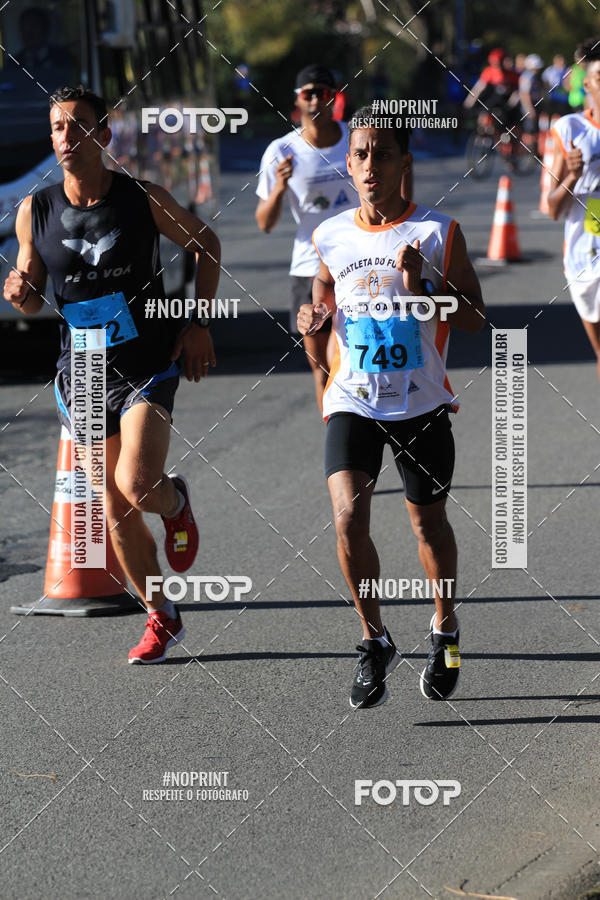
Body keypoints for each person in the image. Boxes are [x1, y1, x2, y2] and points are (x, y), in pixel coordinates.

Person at [3, 86, 221, 663]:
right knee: (113, 509)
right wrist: (19, 291)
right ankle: (162, 616)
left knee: (140, 485)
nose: (66, 138)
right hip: (84, 369)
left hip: (147, 362)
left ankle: (175, 505)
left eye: (78, 126)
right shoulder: (36, 209)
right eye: (56, 128)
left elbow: (207, 243)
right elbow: (29, 292)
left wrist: (198, 323)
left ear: (104, 136)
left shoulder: (141, 198)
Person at [298, 105, 485, 709]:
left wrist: (424, 286)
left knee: (427, 524)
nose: (369, 164)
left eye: (382, 153)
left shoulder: (437, 232)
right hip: (353, 399)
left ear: (404, 162)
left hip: (422, 402)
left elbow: (477, 317)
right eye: (360, 154)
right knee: (348, 519)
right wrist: (311, 326)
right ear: (348, 165)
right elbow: (320, 305)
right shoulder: (330, 235)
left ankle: (446, 629)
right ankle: (373, 639)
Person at [256, 64, 412, 414]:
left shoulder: (357, 140)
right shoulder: (281, 151)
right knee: (320, 363)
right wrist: (280, 186)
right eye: (308, 93)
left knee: (359, 354)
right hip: (310, 265)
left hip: (363, 259)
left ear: (334, 96)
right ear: (297, 99)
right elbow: (264, 222)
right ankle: (336, 430)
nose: (316, 100)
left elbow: (401, 177)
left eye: (323, 92)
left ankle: (380, 417)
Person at [548, 38, 600, 380]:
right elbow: (553, 208)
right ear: (588, 83)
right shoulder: (570, 129)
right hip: (584, 258)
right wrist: (572, 174)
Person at [519, 54, 544, 150]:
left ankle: (534, 150)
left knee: (535, 129)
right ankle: (528, 151)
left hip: (535, 104)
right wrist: (529, 109)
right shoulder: (527, 77)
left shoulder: (535, 76)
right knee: (530, 129)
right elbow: (524, 94)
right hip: (529, 106)